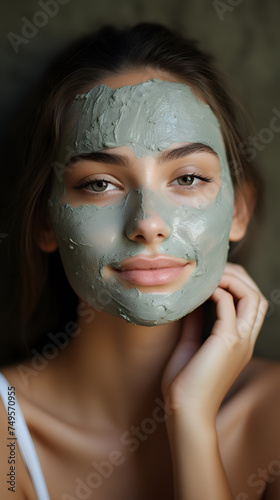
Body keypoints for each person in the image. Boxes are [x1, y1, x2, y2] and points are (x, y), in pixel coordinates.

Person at [0, 22, 279, 500]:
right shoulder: (7, 436)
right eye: (99, 183)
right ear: (44, 223)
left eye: (187, 178)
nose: (148, 223)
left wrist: (190, 419)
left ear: (239, 209)